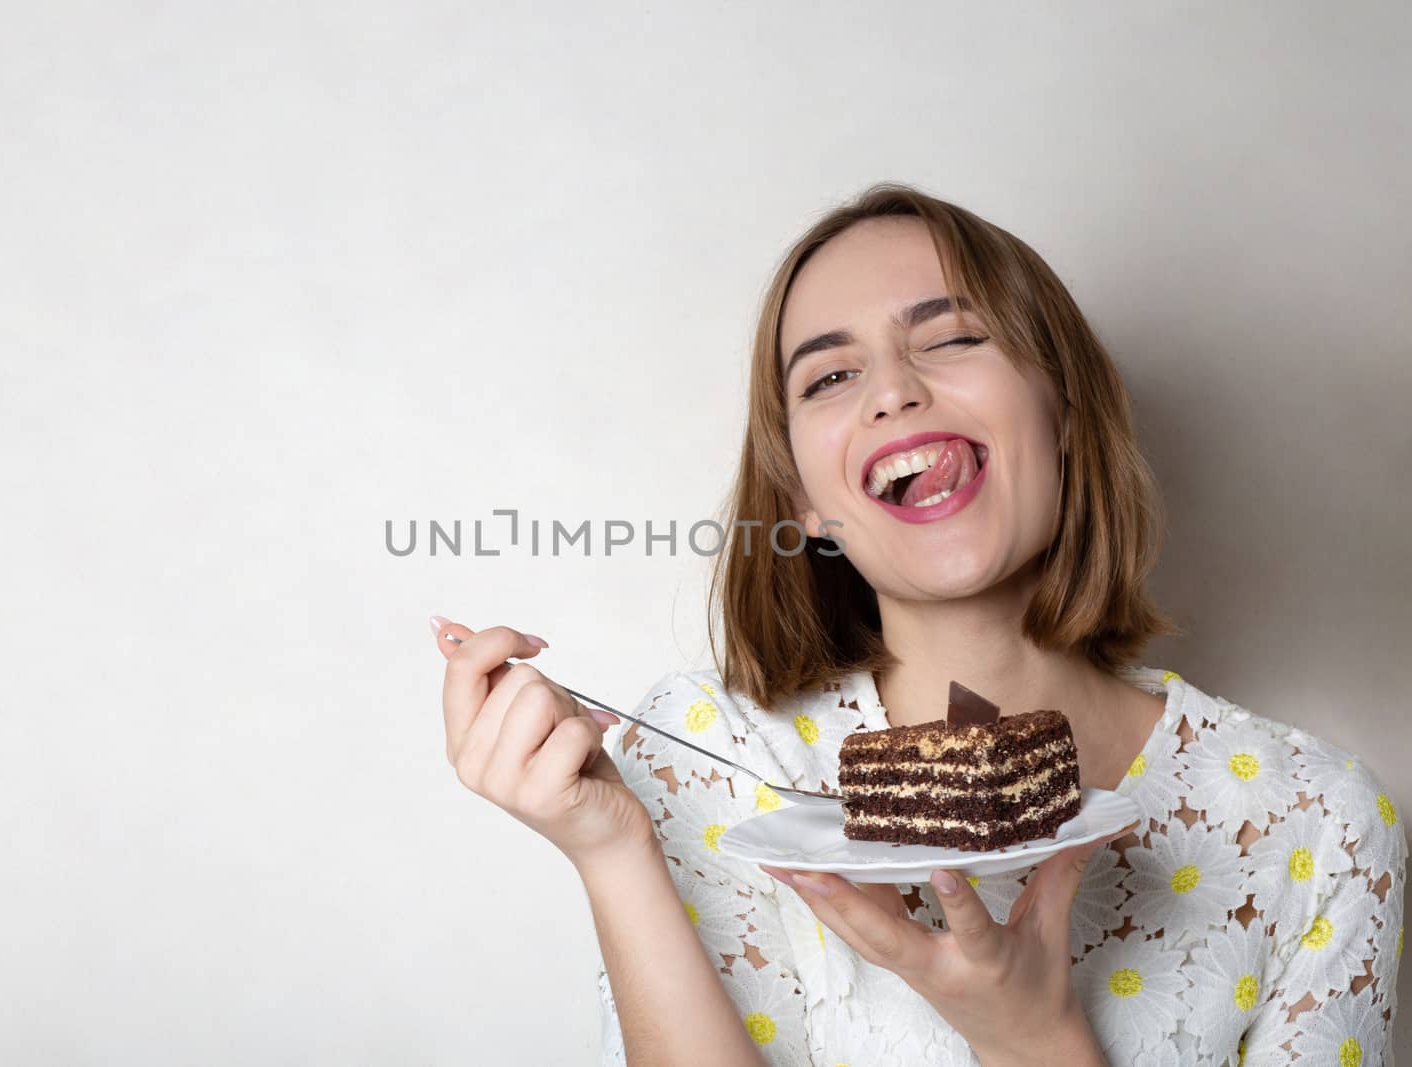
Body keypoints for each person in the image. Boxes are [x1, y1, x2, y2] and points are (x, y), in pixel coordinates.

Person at [429, 183, 1406, 1065]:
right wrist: (611, 847)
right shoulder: (698, 756)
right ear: (803, 498)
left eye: (950, 337)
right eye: (827, 377)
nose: (893, 388)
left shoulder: (1317, 822)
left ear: (1064, 408)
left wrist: (1034, 1040)